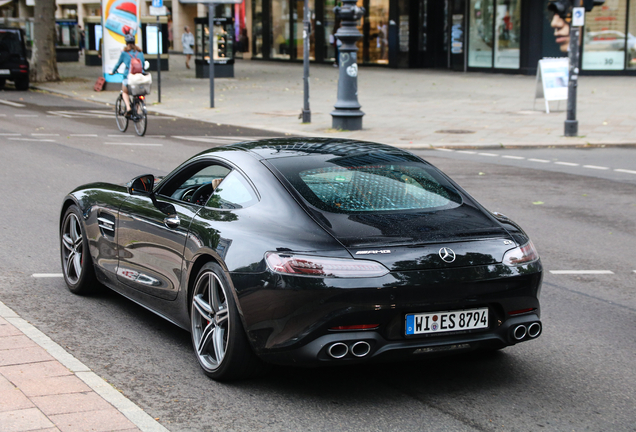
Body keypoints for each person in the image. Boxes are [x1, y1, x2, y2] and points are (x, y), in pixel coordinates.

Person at [109, 33, 145, 117]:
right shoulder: (140, 52)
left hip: (129, 78)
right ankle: (137, 110)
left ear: (126, 42)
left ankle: (128, 108)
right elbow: (143, 64)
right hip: (140, 77)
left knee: (125, 92)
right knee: (138, 94)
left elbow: (118, 64)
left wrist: (113, 71)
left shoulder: (124, 53)